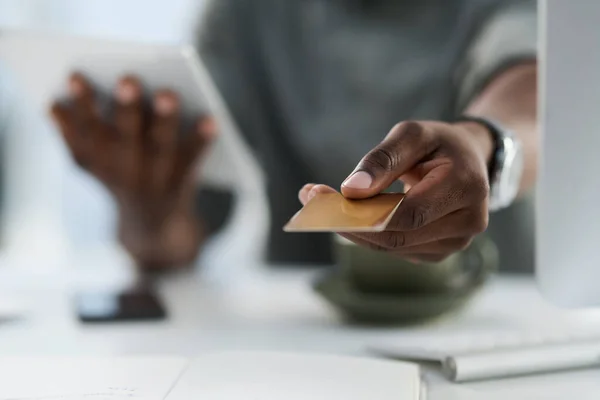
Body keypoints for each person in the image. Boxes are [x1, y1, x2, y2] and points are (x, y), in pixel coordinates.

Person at [50, 0, 537, 272]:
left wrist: (486, 145)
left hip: (493, 334)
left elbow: (536, 94)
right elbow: (183, 230)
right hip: (302, 346)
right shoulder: (245, 16)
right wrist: (146, 210)